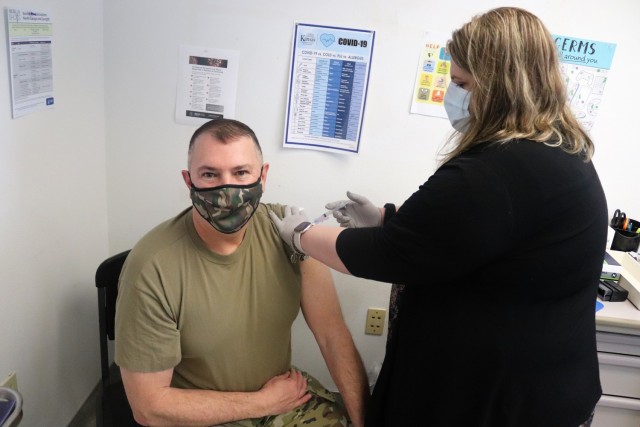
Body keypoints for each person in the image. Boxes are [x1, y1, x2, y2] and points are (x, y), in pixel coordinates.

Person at [270, 7, 607, 427]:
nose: (452, 91)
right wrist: (385, 219)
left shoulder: (501, 168)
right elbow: (465, 237)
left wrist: (301, 235)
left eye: (463, 82)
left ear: (500, 87)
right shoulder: (558, 150)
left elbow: (389, 256)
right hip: (539, 381)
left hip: (502, 400)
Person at [114, 118, 369, 427]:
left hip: (283, 404)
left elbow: (332, 334)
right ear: (188, 180)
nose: (228, 190)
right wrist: (262, 402)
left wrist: (364, 422)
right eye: (209, 174)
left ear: (263, 177)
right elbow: (150, 407)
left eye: (241, 173)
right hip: (202, 414)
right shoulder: (151, 268)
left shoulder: (289, 233)